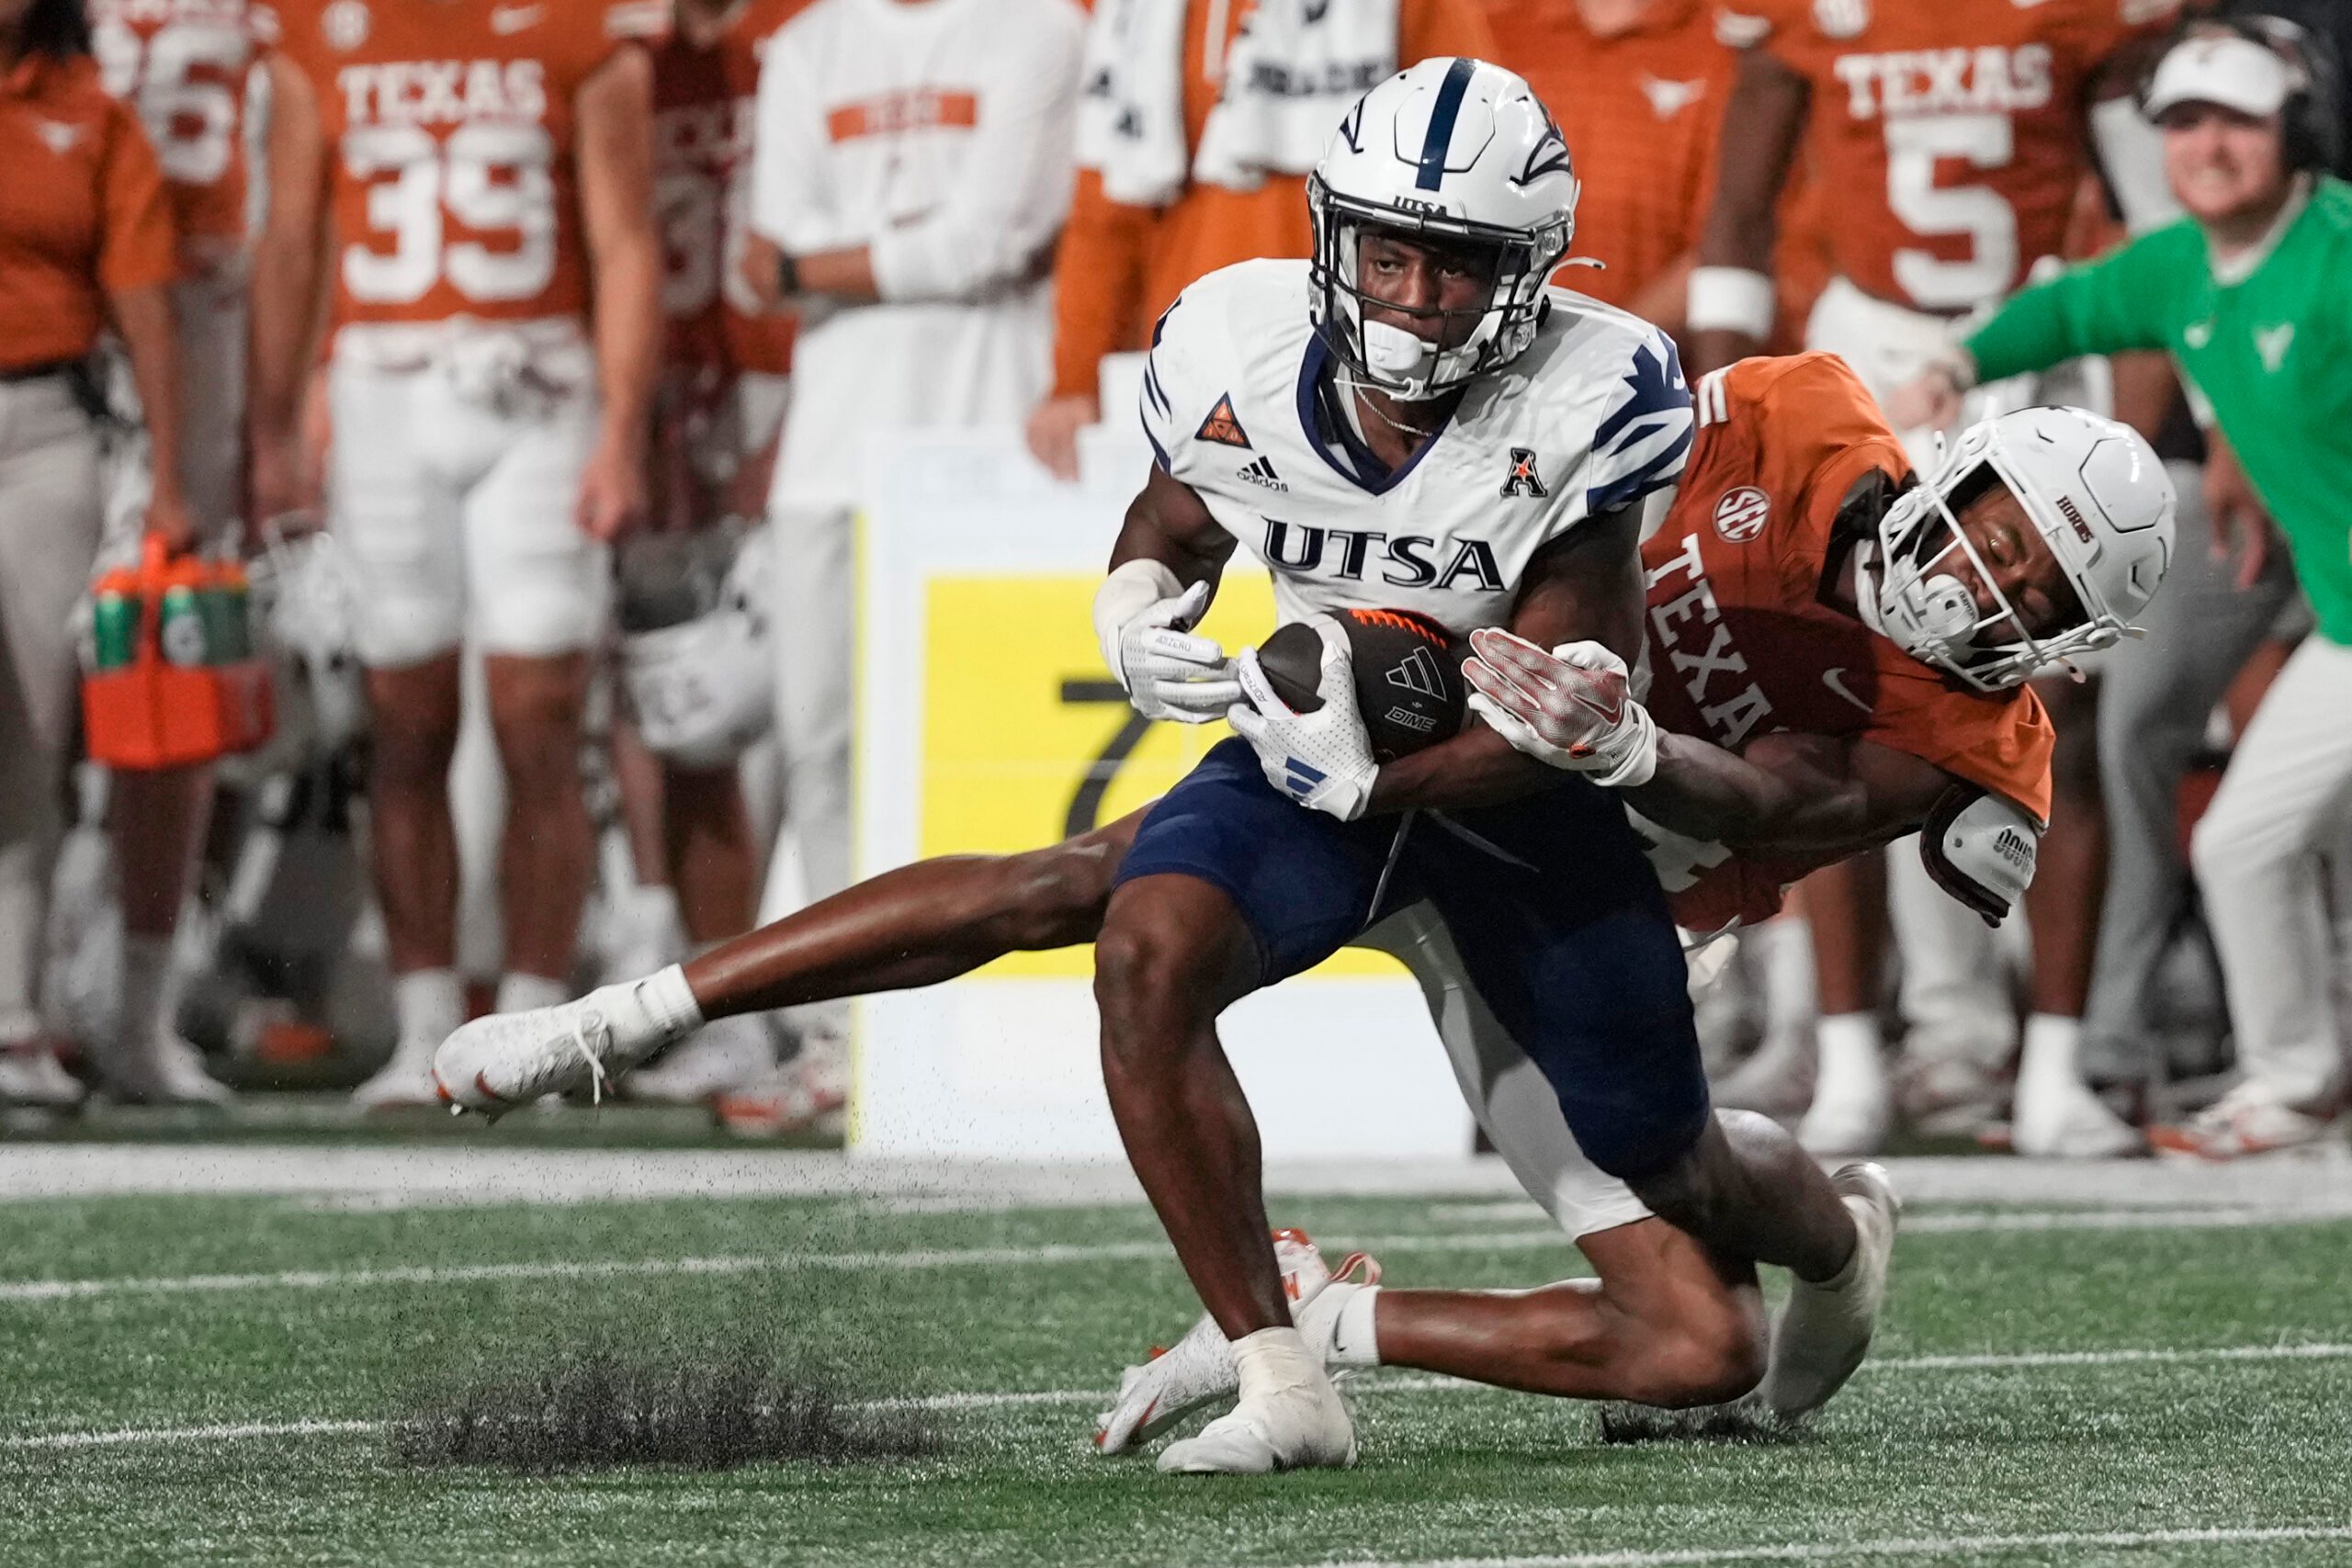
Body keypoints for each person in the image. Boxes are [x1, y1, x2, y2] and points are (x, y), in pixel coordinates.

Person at [434, 361, 2176, 1460]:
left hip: (1586, 883)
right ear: (1968, 468)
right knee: (1091, 890)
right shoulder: (1793, 414)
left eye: (2030, 593)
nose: (1981, 583)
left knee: (1697, 1310)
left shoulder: (1976, 733)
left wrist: (1628, 735)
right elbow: (1575, 471)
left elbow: (1788, 799)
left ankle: (1793, 1243)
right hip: (1438, 741)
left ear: (2060, 646)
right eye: (2004, 534)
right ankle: (626, 1011)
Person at [1685, 0, 2188, 1157]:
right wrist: (1711, 420)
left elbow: (2156, 239)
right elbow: (1735, 221)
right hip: (1870, 354)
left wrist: (2143, 456)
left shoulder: (2073, 18)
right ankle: (1855, 1053)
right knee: (1824, 694)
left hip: (2031, 354)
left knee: (2053, 705)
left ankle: (2052, 1066)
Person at [1894, 16, 2352, 1159]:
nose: (2203, 144)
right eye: (2181, 122)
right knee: (2244, 840)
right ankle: (2293, 1084)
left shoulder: (2339, 258)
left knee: (2254, 836)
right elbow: (2068, 312)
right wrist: (1952, 364)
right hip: (2342, 622)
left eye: (2234, 118)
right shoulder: (2182, 265)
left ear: (2296, 130)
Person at [245, 0, 666, 1106]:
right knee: (403, 719)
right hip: (380, 390)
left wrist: (622, 431)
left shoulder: (580, 27)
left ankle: (538, 1030)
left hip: (538, 386)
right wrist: (274, 428)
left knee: (539, 717)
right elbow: (291, 236)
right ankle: (425, 1029)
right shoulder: (317, 28)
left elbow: (624, 237)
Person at [734, 0, 1084, 1116]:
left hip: (984, 439)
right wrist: (904, 253)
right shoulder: (803, 47)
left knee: (977, 752)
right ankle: (847, 1040)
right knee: (820, 746)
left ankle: (989, 1034)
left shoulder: (1038, 31)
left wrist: (817, 263)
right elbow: (757, 261)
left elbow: (993, 241)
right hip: (830, 447)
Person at [1024, 0, 1491, 481]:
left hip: (1365, 391)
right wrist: (1075, 381)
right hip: (1191, 387)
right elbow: (1107, 211)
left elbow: (1469, 185)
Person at [0, 0, 188, 1109]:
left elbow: (143, 296)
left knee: (27, 734)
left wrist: (172, 472)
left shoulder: (92, 115)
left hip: (46, 431)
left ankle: (12, 1018)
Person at [84, 0, 265, 1104]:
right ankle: (37, 1002)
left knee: (171, 693)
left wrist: (286, 412)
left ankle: (139, 1010)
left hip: (205, 341)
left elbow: (306, 191)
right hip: (51, 335)